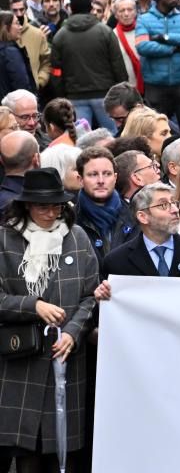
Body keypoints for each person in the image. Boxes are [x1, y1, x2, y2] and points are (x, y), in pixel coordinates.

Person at [0, 168, 98, 471]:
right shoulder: (5, 239)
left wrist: (73, 332)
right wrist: (33, 305)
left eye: (57, 205)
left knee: (61, 454)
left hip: (66, 359)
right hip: (21, 361)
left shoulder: (76, 236)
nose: (51, 212)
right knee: (25, 452)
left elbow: (92, 295)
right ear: (27, 204)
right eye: (43, 206)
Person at [49, 0, 128, 133]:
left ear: (71, 8)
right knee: (113, 133)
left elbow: (56, 71)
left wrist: (62, 96)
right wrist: (123, 90)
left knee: (80, 137)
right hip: (105, 94)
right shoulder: (105, 31)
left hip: (75, 95)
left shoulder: (60, 36)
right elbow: (117, 63)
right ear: (90, 7)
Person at [100, 181, 180, 278]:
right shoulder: (117, 261)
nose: (174, 209)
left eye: (174, 203)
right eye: (163, 205)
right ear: (143, 217)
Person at [135, 0, 180, 136]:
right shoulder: (144, 19)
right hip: (156, 86)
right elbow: (142, 46)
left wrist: (165, 37)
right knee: (157, 131)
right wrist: (172, 49)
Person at [74, 146, 126, 265]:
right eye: (93, 174)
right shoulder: (69, 220)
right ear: (80, 180)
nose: (101, 180)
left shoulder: (134, 216)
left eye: (107, 174)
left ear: (115, 178)